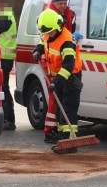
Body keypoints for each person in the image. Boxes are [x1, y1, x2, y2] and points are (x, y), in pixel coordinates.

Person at [33, 9, 83, 143]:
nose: (47, 35)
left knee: (68, 108)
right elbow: (44, 42)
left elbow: (68, 66)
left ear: (58, 26)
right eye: (46, 33)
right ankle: (62, 138)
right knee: (59, 108)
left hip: (70, 77)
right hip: (58, 78)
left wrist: (57, 82)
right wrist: (38, 50)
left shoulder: (67, 42)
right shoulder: (49, 32)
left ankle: (70, 141)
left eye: (49, 32)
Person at [0, 0, 17, 130]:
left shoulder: (5, 17)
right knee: (1, 87)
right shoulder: (6, 15)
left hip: (4, 58)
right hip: (4, 57)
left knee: (3, 87)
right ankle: (6, 118)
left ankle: (9, 119)